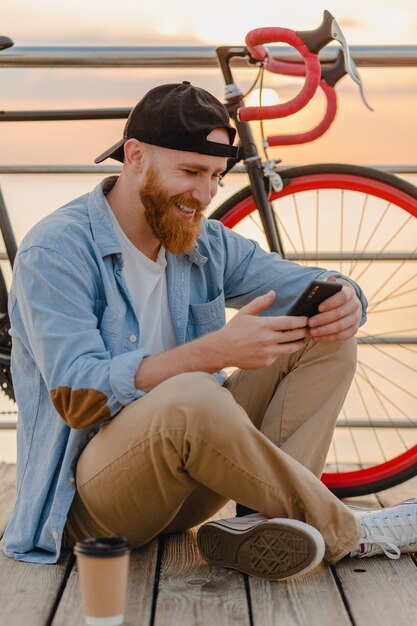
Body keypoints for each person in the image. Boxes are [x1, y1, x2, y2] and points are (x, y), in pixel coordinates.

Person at [4, 81, 417, 580]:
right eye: (191, 172)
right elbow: (78, 394)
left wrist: (347, 298)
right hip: (89, 511)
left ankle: (269, 526)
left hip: (182, 494)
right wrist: (213, 351)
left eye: (217, 176)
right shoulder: (57, 250)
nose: (205, 195)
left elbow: (310, 284)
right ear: (135, 156)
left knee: (322, 336)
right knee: (195, 395)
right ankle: (349, 532)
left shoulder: (205, 241)